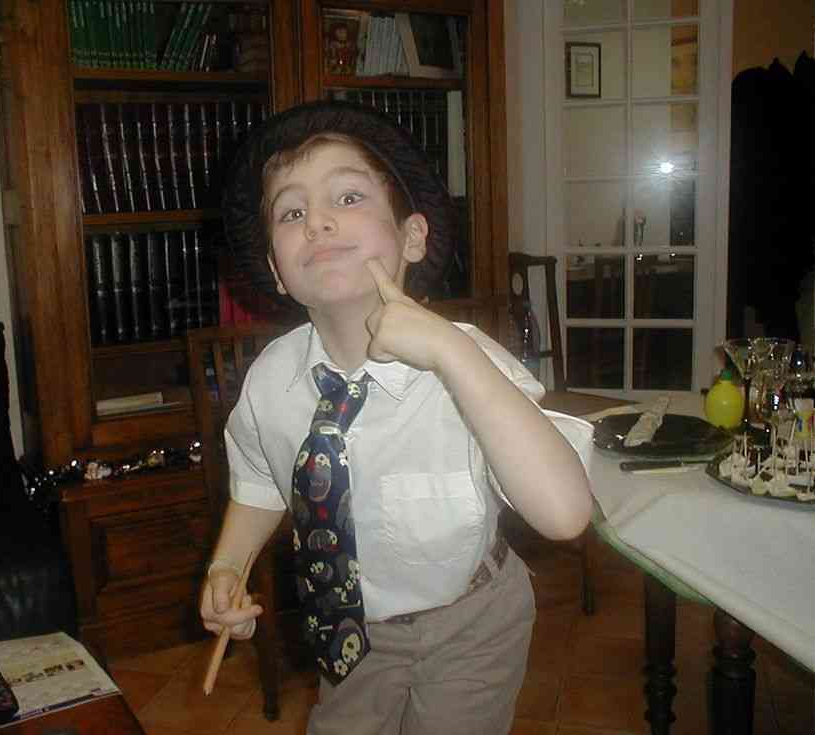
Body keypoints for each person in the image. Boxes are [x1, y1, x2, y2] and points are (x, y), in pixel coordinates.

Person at [200, 100, 594, 734]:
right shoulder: (270, 381)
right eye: (292, 213)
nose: (318, 221)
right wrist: (227, 564)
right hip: (350, 630)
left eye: (348, 197)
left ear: (412, 237)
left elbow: (565, 514)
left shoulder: (466, 361)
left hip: (472, 621)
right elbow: (260, 483)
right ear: (276, 270)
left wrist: (452, 354)